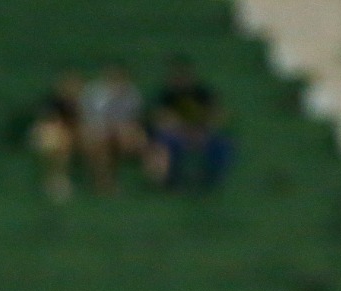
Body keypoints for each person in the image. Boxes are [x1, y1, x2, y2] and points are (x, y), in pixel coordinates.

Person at [146, 56, 233, 190]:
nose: (181, 79)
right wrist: (183, 131)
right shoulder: (165, 95)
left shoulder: (202, 93)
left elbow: (218, 114)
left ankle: (212, 177)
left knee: (222, 143)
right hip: (174, 134)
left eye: (184, 75)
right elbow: (160, 119)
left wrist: (204, 129)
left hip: (201, 133)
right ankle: (171, 179)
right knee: (166, 143)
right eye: (177, 76)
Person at [79, 63, 146, 194]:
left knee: (125, 139)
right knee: (100, 142)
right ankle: (103, 180)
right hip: (97, 130)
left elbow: (134, 119)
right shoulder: (94, 91)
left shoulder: (131, 94)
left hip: (122, 132)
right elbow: (88, 117)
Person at [30, 71, 83, 203]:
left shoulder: (82, 104)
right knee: (57, 142)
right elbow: (48, 122)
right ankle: (56, 179)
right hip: (56, 134)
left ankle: (59, 179)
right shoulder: (53, 103)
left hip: (75, 134)